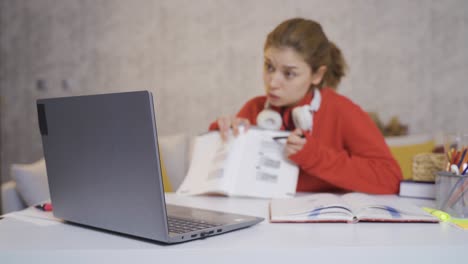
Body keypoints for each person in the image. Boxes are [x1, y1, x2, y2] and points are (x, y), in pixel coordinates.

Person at [209, 18, 402, 194]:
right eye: (269, 67)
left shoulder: (342, 111)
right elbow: (223, 179)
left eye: (289, 73)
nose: (273, 82)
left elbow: (390, 178)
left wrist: (314, 156)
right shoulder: (254, 109)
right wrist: (221, 136)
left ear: (317, 75)